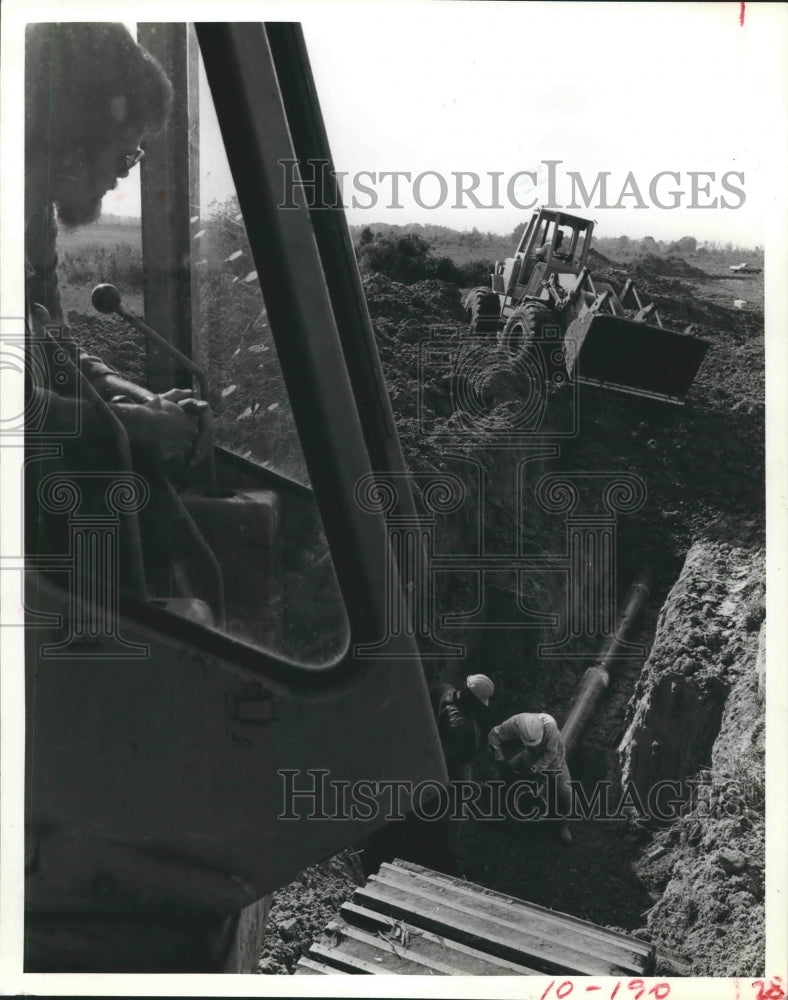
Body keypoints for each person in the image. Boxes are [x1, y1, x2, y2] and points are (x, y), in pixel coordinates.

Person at [24, 23, 209, 471]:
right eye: (126, 154)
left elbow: (56, 347)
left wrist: (136, 400)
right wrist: (131, 425)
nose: (125, 173)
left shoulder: (35, 226)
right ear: (74, 138)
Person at [488, 711, 573, 845]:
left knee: (565, 792)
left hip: (554, 762)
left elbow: (552, 754)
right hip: (527, 755)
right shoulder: (514, 723)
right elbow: (493, 735)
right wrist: (498, 756)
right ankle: (495, 813)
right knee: (499, 778)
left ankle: (565, 824)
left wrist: (537, 771)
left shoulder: (550, 728)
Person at [430, 673, 495, 781]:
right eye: (480, 704)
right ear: (474, 700)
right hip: (444, 764)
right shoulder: (463, 728)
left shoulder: (444, 688)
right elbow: (454, 759)